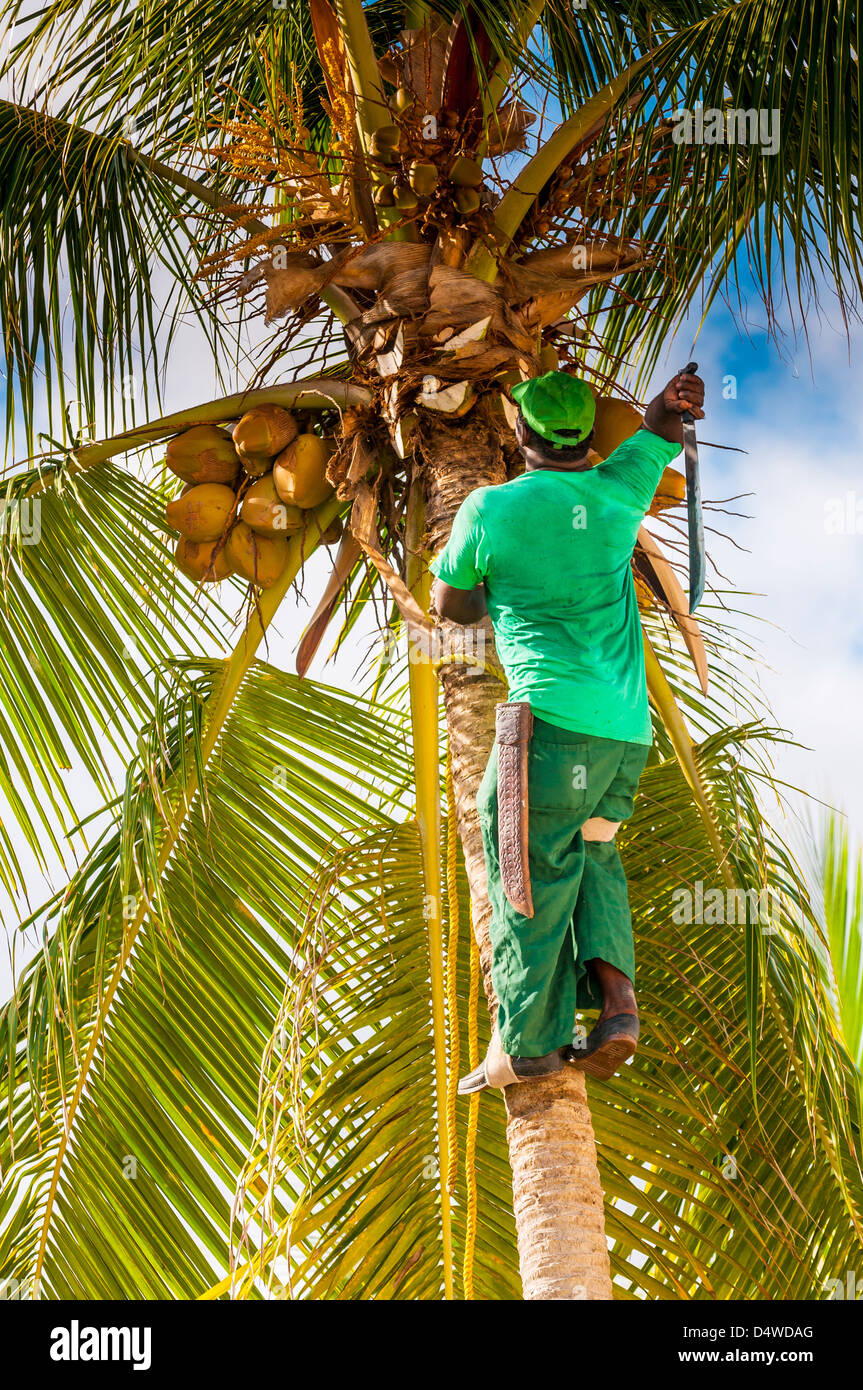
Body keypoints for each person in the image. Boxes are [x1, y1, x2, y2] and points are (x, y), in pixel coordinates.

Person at [429, 368, 705, 1091]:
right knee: (593, 856)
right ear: (586, 434)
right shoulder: (619, 491)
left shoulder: (490, 509)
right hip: (622, 734)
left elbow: (452, 609)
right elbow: (657, 433)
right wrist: (672, 403)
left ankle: (525, 1045)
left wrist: (497, 581)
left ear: (520, 433)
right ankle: (617, 1008)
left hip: (548, 726)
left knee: (522, 869)